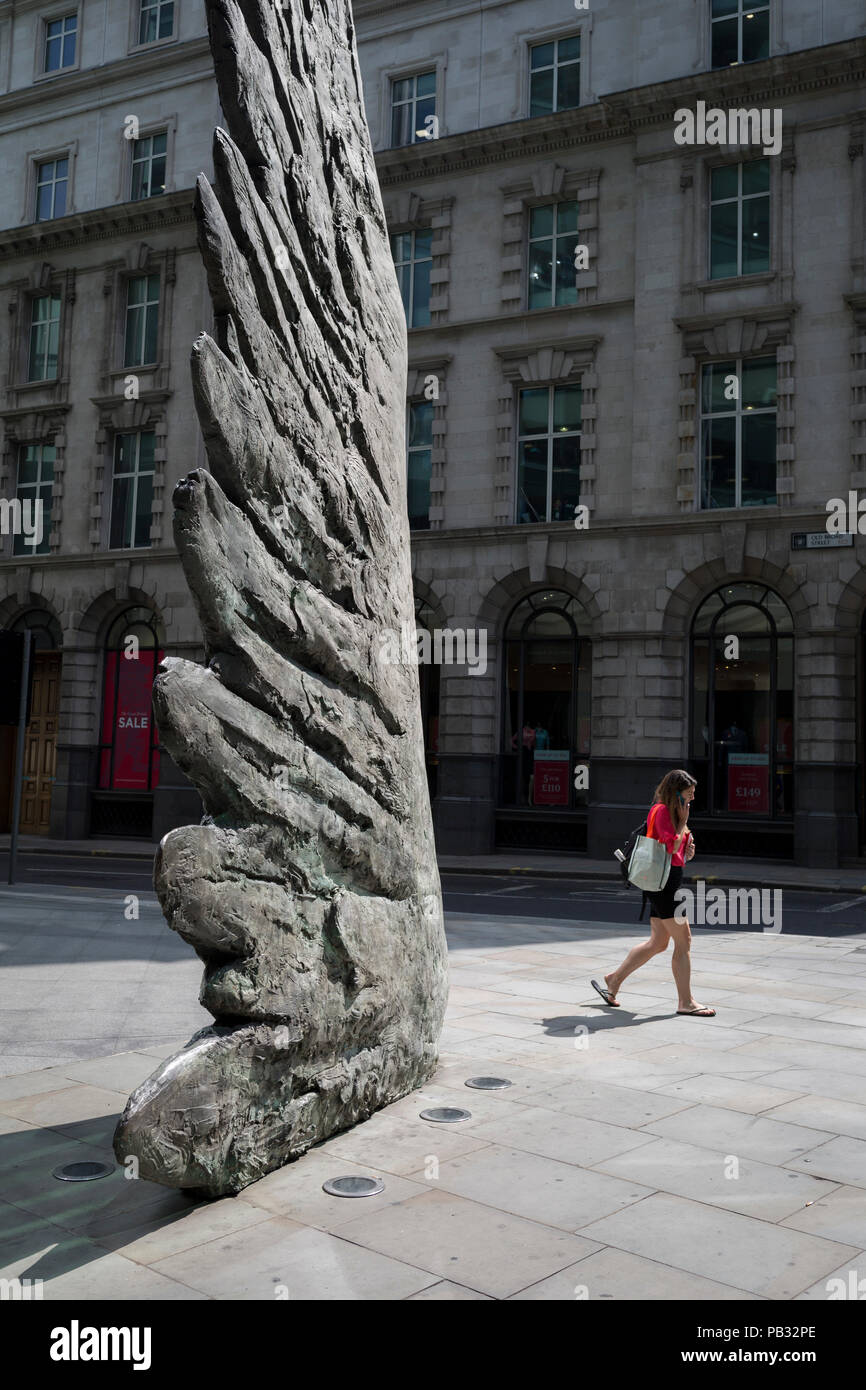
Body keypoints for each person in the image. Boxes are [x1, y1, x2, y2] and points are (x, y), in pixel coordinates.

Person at [591, 769, 716, 1017]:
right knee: (684, 941)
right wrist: (682, 822)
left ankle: (613, 980)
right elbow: (670, 844)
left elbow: (677, 851)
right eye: (688, 795)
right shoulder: (661, 811)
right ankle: (686, 1002)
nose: (691, 799)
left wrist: (687, 853)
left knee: (658, 942)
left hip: (665, 882)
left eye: (692, 795)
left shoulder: (675, 812)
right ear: (676, 792)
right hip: (665, 886)